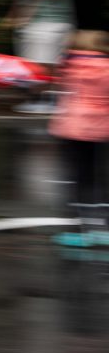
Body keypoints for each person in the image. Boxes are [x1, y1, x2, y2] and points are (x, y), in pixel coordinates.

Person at [48, 30, 109, 243]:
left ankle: (78, 231)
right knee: (100, 177)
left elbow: (56, 83)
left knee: (77, 178)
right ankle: (104, 229)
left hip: (72, 128)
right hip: (102, 128)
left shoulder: (67, 65)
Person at [0, 0, 75, 112]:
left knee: (44, 64)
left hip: (50, 22)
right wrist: (12, 16)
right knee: (34, 64)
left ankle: (48, 101)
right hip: (35, 24)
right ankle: (39, 99)